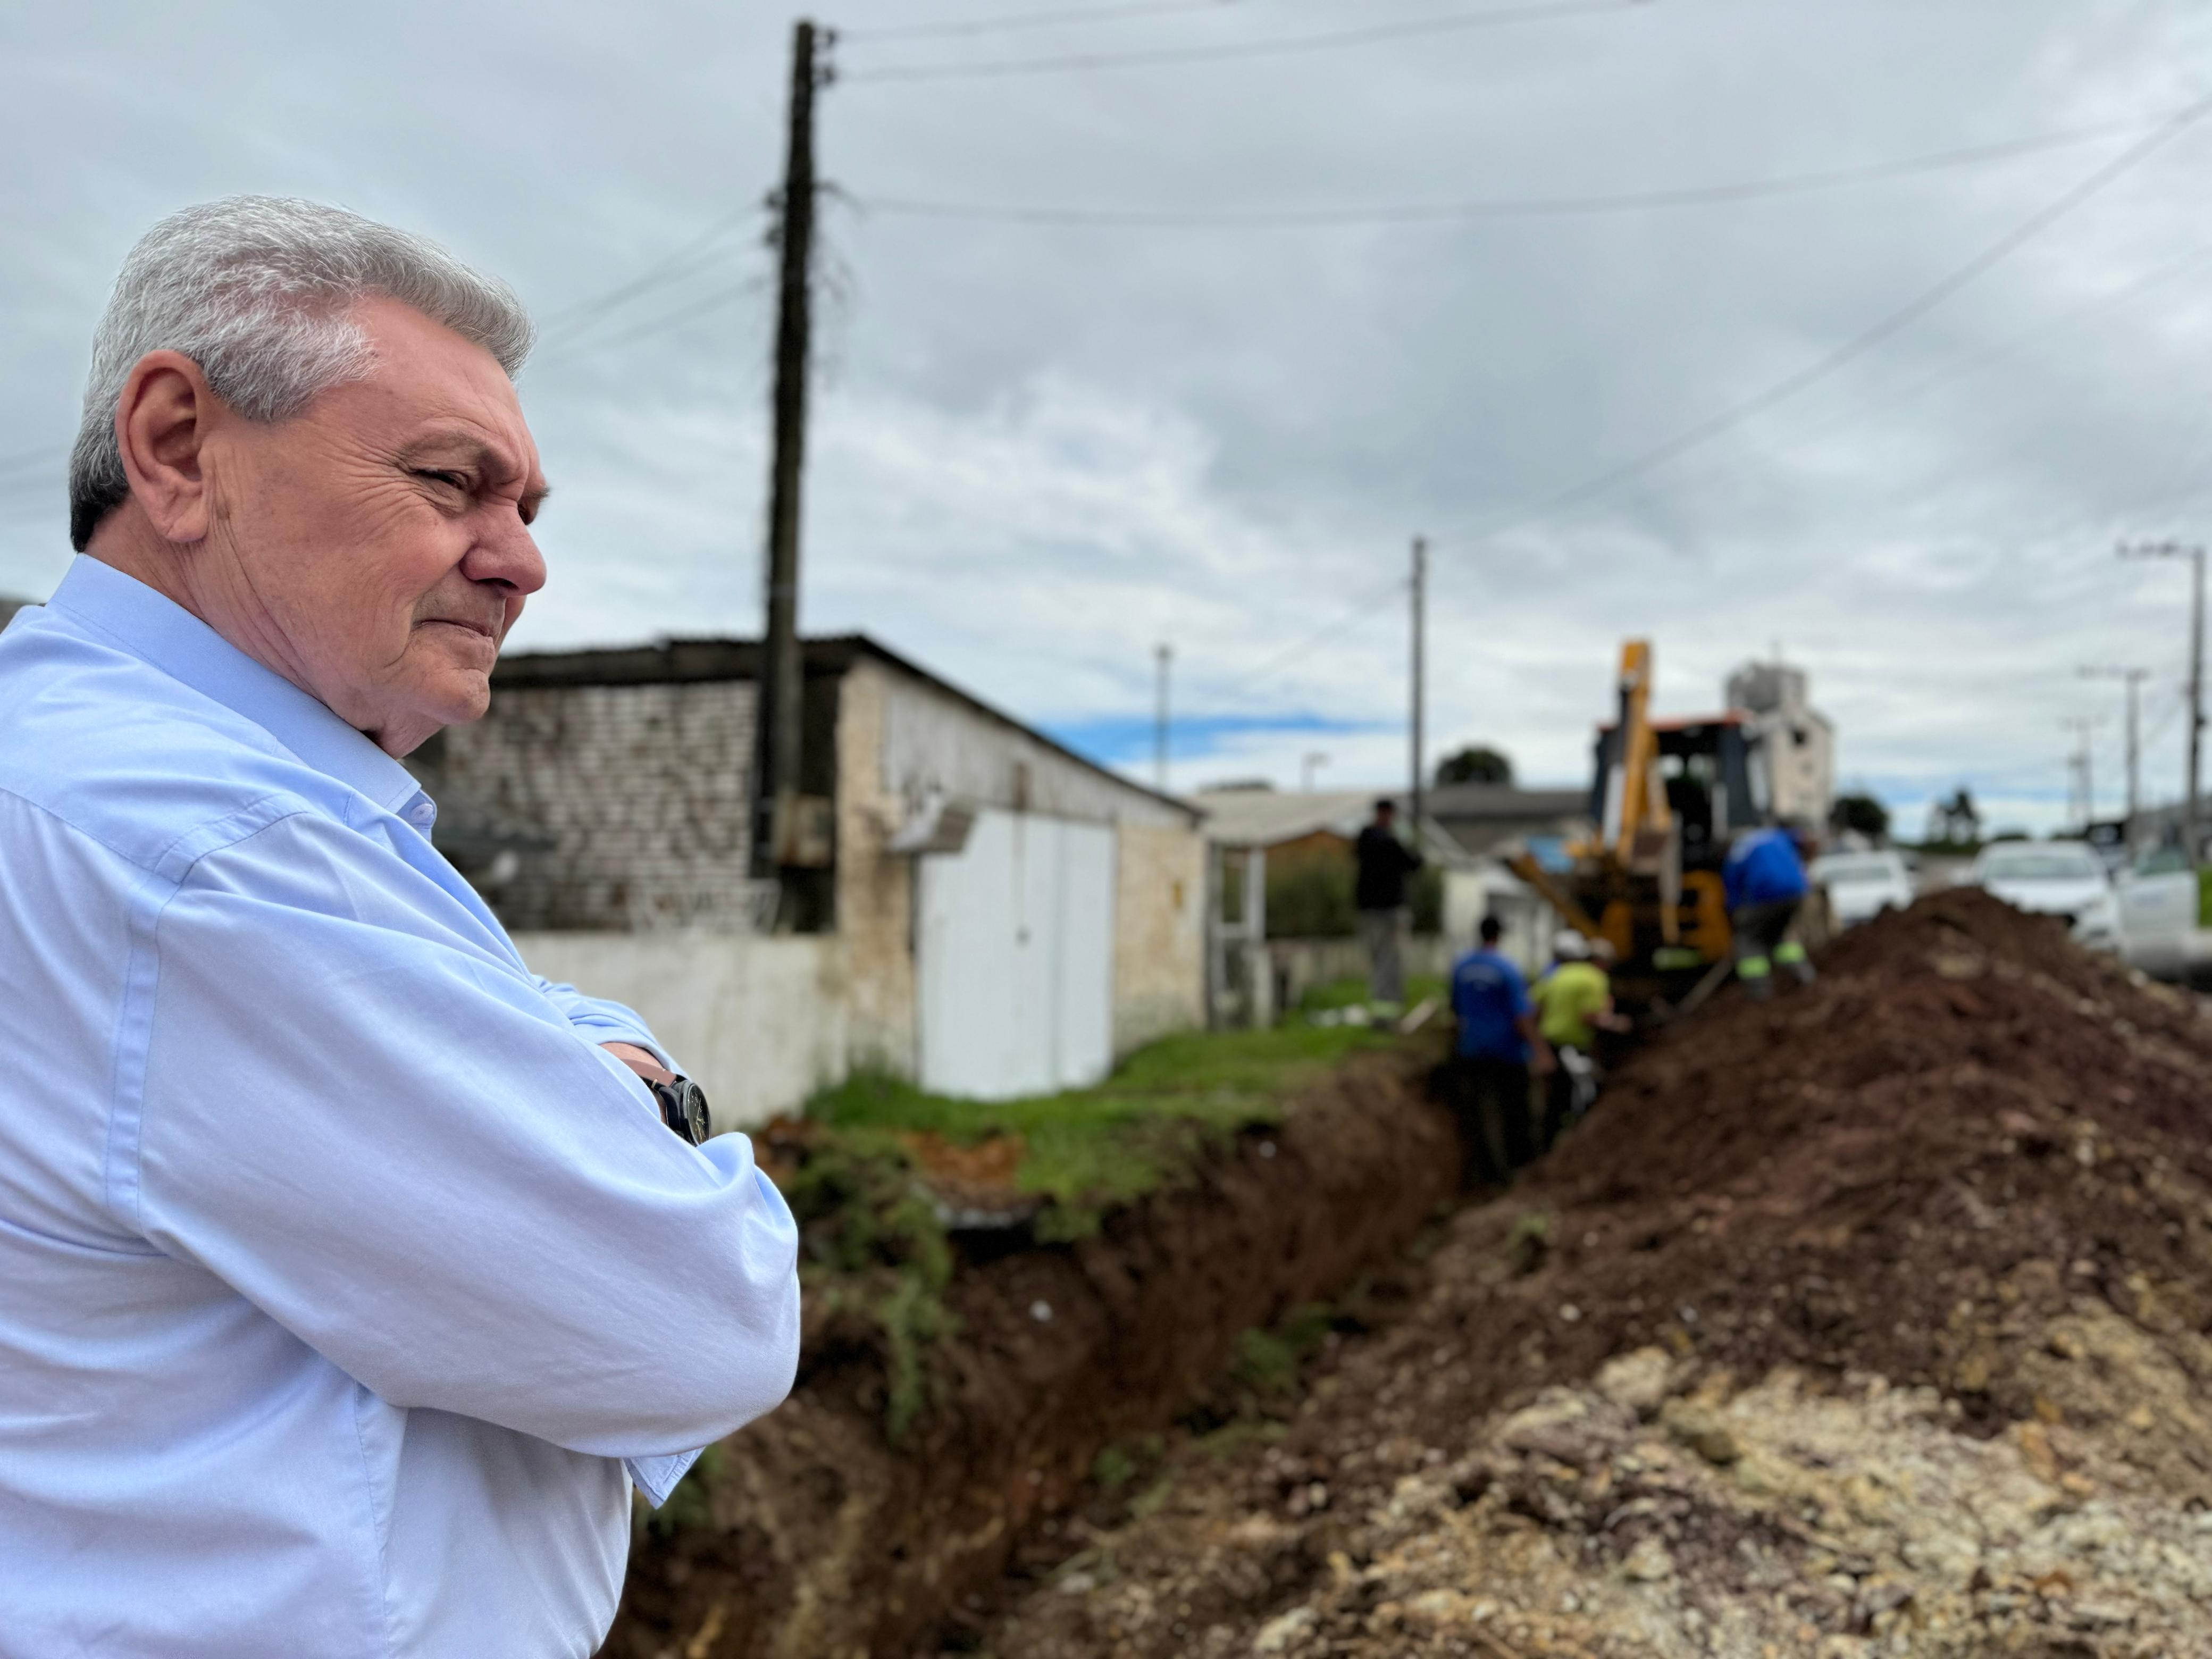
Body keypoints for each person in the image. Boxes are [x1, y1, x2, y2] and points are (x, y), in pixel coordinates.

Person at [0, 198, 802, 1657]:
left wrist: (558, 1055)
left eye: (528, 513)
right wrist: (634, 1082)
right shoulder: (206, 854)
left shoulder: (90, 785)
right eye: (453, 484)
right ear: (177, 445)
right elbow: (701, 1321)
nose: (520, 563)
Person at [1447, 915, 1554, 1186]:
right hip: (1507, 1052)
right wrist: (1541, 1051)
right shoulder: (1508, 968)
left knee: (1482, 1115)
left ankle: (1488, 1175)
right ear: (1499, 936)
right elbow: (1522, 1017)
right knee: (1516, 1112)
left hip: (1472, 1050)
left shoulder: (1461, 966)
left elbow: (1456, 1008)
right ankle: (1521, 1172)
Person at [1530, 931, 1629, 1150]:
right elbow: (1589, 1017)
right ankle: (1572, 1147)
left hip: (1550, 1044)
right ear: (1600, 961)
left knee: (1556, 1099)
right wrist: (1615, 1023)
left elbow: (1533, 1007)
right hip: (1570, 1047)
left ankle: (1548, 1146)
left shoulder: (1558, 974)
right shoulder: (1595, 979)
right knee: (1584, 1093)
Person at [1723, 820, 1819, 1000]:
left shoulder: (1739, 847)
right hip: (1797, 891)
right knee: (1778, 934)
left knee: (1748, 940)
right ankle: (1805, 977)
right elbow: (1804, 842)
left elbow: (1732, 883)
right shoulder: (1777, 836)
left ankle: (1759, 993)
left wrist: (1734, 911)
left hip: (1765, 894)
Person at [1354, 797, 1423, 1007]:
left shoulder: (1365, 838)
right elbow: (1414, 863)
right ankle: (1388, 1003)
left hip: (1370, 908)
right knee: (1390, 959)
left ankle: (1385, 1002)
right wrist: (1408, 840)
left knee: (1379, 957)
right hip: (1389, 908)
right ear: (1388, 815)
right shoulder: (1388, 841)